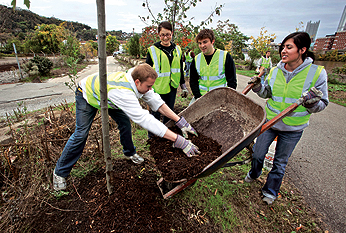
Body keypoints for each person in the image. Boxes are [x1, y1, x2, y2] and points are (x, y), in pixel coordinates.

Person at [53, 63, 200, 191]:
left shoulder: (137, 79)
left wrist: (180, 120)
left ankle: (130, 153)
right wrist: (178, 140)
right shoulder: (123, 92)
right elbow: (143, 118)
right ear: (137, 82)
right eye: (148, 86)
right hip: (88, 94)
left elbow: (156, 101)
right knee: (81, 133)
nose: (150, 89)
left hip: (110, 97)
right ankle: (59, 173)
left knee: (124, 123)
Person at [244, 32, 329, 205]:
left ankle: (270, 191)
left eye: (288, 47)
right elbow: (266, 93)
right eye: (283, 47)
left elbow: (323, 103)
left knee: (280, 162)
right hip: (269, 122)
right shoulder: (275, 71)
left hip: (293, 128)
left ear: (302, 50)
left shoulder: (317, 73)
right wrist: (258, 86)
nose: (283, 51)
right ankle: (254, 173)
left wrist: (311, 103)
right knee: (258, 154)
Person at [146, 21, 189, 126]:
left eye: (168, 34)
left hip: (172, 88)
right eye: (163, 35)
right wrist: (147, 90)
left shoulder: (177, 50)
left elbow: (179, 69)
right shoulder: (153, 50)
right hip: (157, 89)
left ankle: (166, 137)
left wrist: (183, 86)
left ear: (172, 33)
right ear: (159, 35)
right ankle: (153, 138)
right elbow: (146, 72)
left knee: (169, 115)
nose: (165, 38)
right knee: (155, 115)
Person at [189, 29, 237, 102]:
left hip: (220, 98)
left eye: (205, 42)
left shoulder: (225, 56)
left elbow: (232, 81)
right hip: (202, 98)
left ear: (212, 41)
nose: (202, 46)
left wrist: (228, 97)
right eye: (200, 43)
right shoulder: (196, 59)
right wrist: (198, 97)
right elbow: (193, 81)